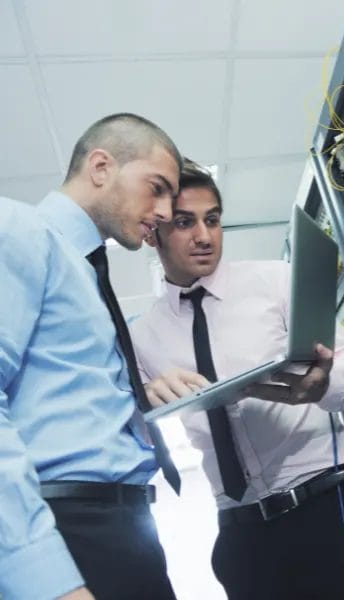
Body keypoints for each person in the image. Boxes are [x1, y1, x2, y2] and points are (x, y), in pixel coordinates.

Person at [131, 160, 344, 599]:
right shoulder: (142, 336)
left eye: (212, 220)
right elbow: (129, 428)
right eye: (184, 223)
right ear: (152, 233)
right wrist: (146, 398)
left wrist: (323, 385)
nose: (204, 236)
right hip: (242, 533)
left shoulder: (275, 281)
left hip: (328, 507)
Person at [0, 113, 183, 600]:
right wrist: (45, 578)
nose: (165, 211)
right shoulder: (18, 229)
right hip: (69, 528)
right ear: (101, 167)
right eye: (157, 188)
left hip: (121, 528)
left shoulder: (85, 273)